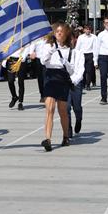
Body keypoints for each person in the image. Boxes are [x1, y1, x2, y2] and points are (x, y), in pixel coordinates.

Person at [40, 22, 77, 151]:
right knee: (50, 109)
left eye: (61, 31)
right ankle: (48, 139)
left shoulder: (69, 49)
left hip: (62, 77)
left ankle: (66, 136)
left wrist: (66, 63)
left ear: (66, 34)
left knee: (62, 111)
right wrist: (51, 51)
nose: (59, 33)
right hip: (50, 76)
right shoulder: (48, 46)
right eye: (57, 31)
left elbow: (71, 70)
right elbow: (43, 61)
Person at [5, 45, 29, 110]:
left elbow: (27, 46)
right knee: (10, 80)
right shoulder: (11, 39)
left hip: (21, 59)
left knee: (20, 81)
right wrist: (4, 59)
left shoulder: (23, 39)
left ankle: (20, 102)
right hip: (11, 59)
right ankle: (14, 97)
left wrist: (23, 57)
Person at [75, 25, 97, 91]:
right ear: (84, 30)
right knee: (83, 70)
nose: (88, 30)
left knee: (89, 71)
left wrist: (95, 59)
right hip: (82, 55)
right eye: (87, 29)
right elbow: (77, 47)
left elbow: (95, 48)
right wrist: (76, 56)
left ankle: (88, 84)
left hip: (90, 54)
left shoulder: (94, 37)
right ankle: (83, 84)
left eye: (89, 29)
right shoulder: (81, 37)